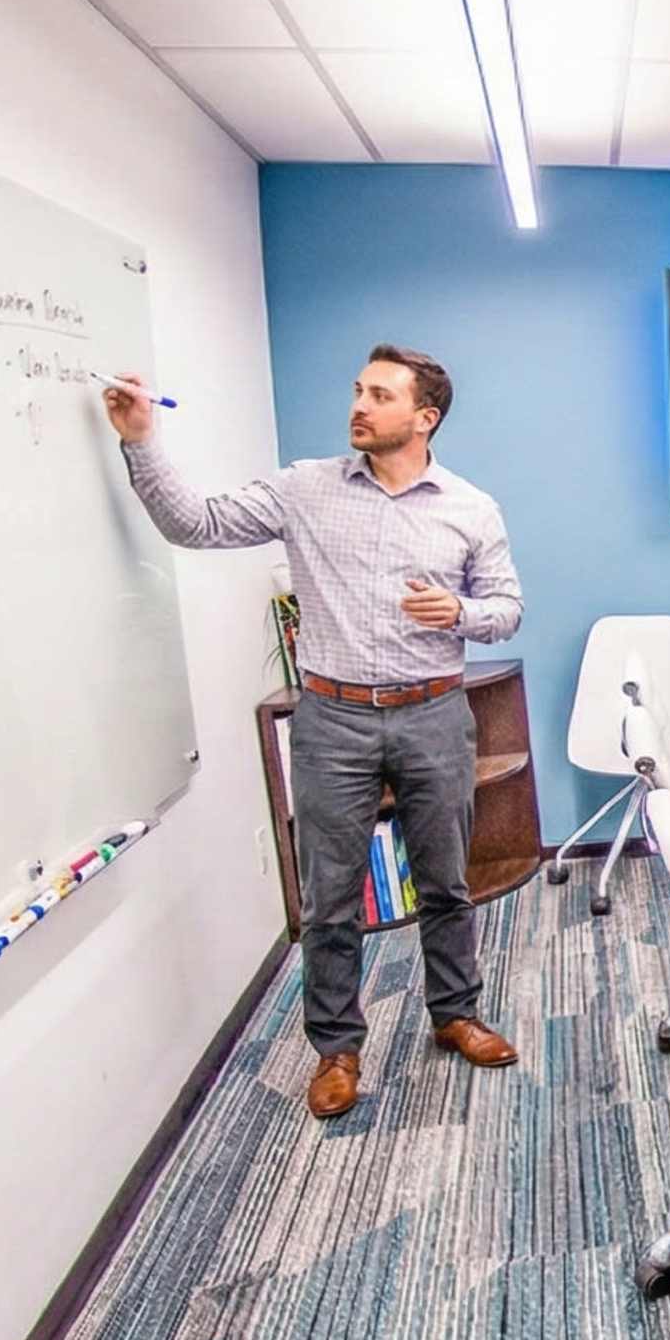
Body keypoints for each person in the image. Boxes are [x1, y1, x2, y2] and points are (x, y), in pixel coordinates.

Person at [109, 345, 523, 1120]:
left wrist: (461, 615)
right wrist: (141, 441)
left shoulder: (471, 507)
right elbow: (196, 524)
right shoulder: (305, 487)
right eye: (358, 390)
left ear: (424, 418)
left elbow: (506, 607)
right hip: (333, 717)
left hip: (434, 710)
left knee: (446, 880)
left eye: (380, 395)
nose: (359, 405)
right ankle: (337, 1049)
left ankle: (455, 1013)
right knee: (330, 896)